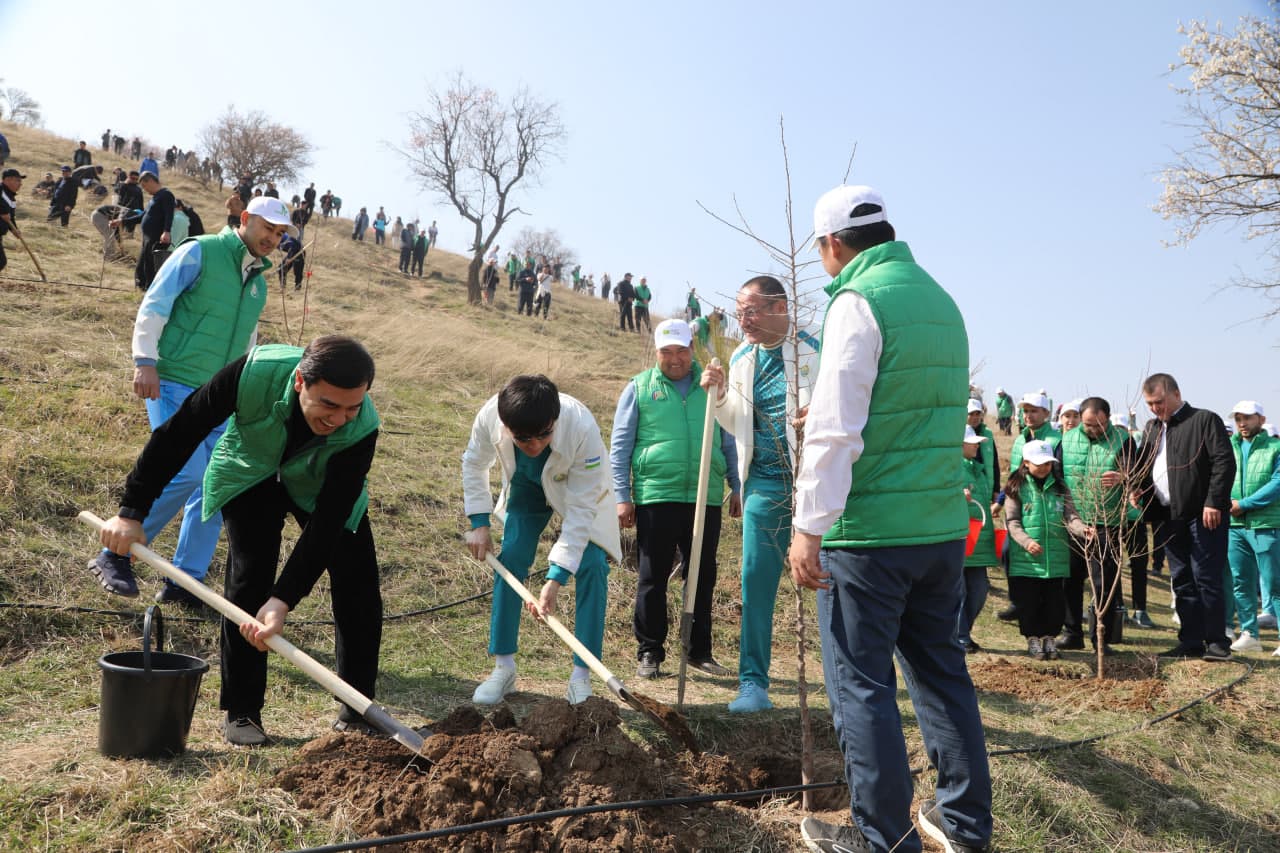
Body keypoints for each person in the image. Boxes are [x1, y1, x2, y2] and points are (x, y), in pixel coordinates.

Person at [788, 185, 991, 853]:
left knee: (862, 687)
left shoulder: (856, 302)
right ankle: (964, 825)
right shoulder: (941, 300)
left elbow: (838, 430)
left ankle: (885, 841)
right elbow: (909, 409)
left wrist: (808, 526)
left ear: (832, 245)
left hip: (869, 538)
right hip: (938, 533)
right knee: (942, 676)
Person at [96, 336, 384, 745]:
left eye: (352, 407)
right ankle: (242, 711)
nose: (339, 419)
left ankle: (357, 710)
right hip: (250, 472)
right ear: (300, 381)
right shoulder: (254, 373)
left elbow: (329, 522)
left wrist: (284, 600)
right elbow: (181, 432)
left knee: (358, 581)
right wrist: (131, 512)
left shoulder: (362, 429)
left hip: (320, 485)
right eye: (329, 405)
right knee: (250, 579)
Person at [87, 195, 295, 606]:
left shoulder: (258, 282)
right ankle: (114, 552)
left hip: (220, 397)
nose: (272, 238)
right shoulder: (200, 251)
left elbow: (248, 342)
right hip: (173, 381)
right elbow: (156, 303)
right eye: (267, 228)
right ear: (246, 218)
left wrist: (243, 391)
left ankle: (185, 582)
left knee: (215, 484)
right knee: (183, 471)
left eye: (279, 233)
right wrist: (144, 361)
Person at [462, 375, 621, 705]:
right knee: (512, 558)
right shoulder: (490, 415)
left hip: (579, 490)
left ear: (555, 420)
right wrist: (479, 522)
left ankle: (582, 675)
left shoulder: (581, 427)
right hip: (526, 487)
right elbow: (474, 463)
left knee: (592, 565)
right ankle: (503, 668)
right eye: (522, 439)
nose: (534, 445)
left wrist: (556, 577)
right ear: (506, 425)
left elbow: (579, 511)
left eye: (544, 434)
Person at [700, 275, 818, 712]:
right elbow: (737, 420)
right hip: (763, 483)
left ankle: (846, 683)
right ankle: (753, 683)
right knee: (755, 579)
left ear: (779, 308)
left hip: (816, 481)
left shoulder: (815, 347)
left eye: (750, 311)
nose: (742, 320)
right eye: (738, 312)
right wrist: (719, 394)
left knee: (830, 582)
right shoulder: (745, 356)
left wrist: (821, 411)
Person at [611, 319, 742, 680]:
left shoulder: (711, 386)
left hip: (705, 495)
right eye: (666, 352)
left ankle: (699, 652)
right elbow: (620, 446)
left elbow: (727, 437)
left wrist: (736, 484)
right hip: (657, 495)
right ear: (656, 352)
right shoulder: (639, 388)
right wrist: (623, 496)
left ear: (691, 350)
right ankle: (650, 652)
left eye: (681, 350)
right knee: (652, 577)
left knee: (702, 575)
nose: (674, 359)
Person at [1134, 373, 1236, 661]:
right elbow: (1145, 465)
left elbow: (1223, 463)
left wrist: (1214, 502)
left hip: (1203, 515)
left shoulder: (1204, 420)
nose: (1156, 408)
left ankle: (1217, 642)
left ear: (1176, 394)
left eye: (1160, 402)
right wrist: (1134, 485)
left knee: (1206, 577)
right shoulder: (1153, 428)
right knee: (1181, 578)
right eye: (1150, 404)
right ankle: (1190, 642)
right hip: (1166, 515)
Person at [1057, 397, 1137, 656]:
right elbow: (1057, 476)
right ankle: (1072, 633)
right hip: (1074, 520)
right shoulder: (1067, 440)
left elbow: (1137, 475)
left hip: (1107, 523)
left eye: (1099, 425)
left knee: (1103, 583)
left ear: (1108, 419)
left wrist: (1123, 477)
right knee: (1070, 578)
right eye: (1089, 424)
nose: (1094, 430)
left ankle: (1100, 638)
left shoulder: (1123, 441)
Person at [1005, 440, 1092, 660]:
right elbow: (1013, 522)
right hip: (1027, 560)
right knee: (1029, 603)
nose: (1044, 468)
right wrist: (1026, 542)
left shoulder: (1060, 487)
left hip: (1055, 558)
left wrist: (1083, 530)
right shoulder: (1016, 487)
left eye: (1048, 463)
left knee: (1054, 605)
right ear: (1026, 463)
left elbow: (1070, 517)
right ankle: (1033, 640)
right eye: (1039, 463)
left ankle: (1050, 639)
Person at [1225, 400, 1280, 654]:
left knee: (1274, 583)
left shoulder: (1275, 447)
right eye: (1238, 418)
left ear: (1261, 418)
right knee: (1241, 581)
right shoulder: (1229, 447)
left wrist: (1244, 504)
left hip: (1265, 524)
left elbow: (1277, 484)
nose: (1242, 423)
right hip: (1235, 525)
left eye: (1247, 418)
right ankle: (1249, 633)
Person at [960, 403, 999, 655]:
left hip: (980, 539)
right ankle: (959, 636)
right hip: (959, 538)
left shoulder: (979, 469)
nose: (977, 445)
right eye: (972, 442)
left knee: (978, 589)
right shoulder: (949, 469)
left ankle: (963, 632)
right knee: (959, 592)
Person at [131, 172, 175, 290]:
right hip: (146, 238)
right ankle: (141, 288)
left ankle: (150, 290)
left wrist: (166, 231)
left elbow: (169, 214)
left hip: (156, 237)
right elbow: (142, 217)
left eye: (144, 186)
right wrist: (122, 221)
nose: (144, 190)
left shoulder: (166, 195)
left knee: (151, 266)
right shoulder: (154, 198)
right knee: (141, 265)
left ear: (150, 181)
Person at [0, 168, 24, 273]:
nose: (20, 184)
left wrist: (14, 230)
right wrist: (2, 211)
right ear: (7, 180)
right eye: (17, 180)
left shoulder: (11, 198)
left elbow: (10, 218)